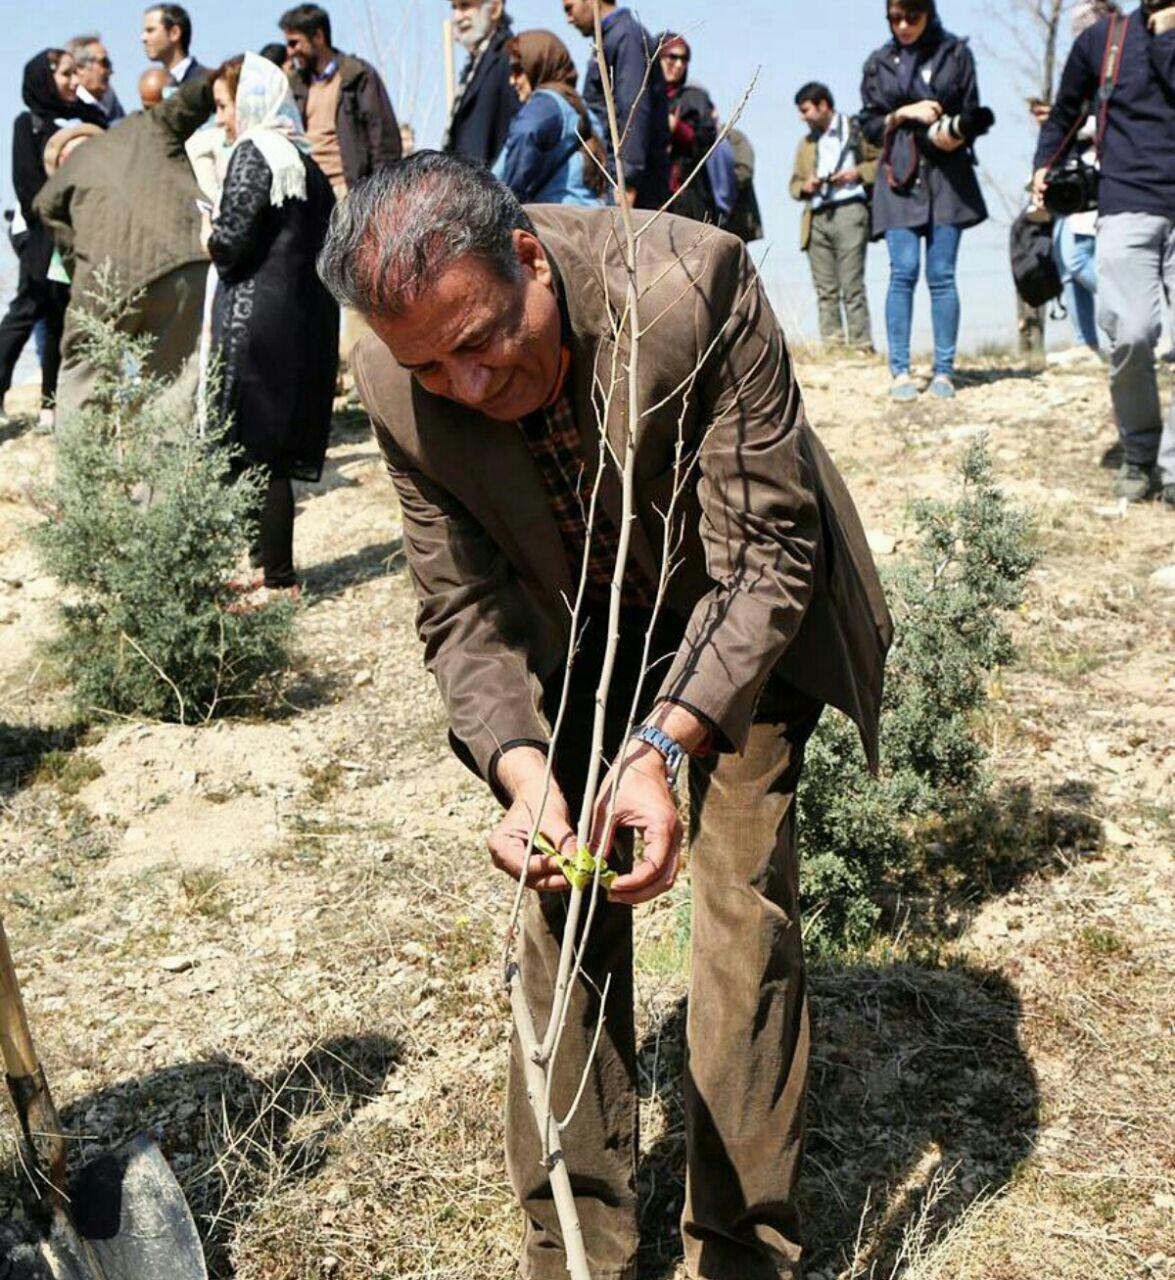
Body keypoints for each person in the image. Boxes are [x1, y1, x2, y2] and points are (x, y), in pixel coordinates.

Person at [318, 151, 892, 1280]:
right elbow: (462, 609)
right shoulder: (393, 381)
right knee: (558, 911)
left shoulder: (690, 285)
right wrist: (525, 775)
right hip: (573, 631)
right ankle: (572, 1242)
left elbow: (770, 556)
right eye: (430, 365)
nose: (467, 386)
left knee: (738, 912)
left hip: (738, 618)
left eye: (482, 340)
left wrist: (663, 743)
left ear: (528, 258)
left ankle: (742, 1248)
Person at [205, 53, 338, 601]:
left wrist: (206, 233)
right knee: (273, 449)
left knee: (257, 449)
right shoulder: (304, 163)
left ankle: (277, 578)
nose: (222, 120)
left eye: (223, 106)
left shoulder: (253, 152)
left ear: (249, 101)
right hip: (303, 322)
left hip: (256, 322)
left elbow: (230, 243)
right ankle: (266, 567)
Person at [1034, 0, 1175, 506]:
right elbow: (1065, 111)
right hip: (1126, 204)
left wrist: (1167, 39)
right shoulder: (1103, 40)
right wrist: (1043, 166)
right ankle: (1139, 450)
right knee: (1131, 334)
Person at [35, 74, 215, 422]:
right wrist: (225, 75)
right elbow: (191, 98)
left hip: (110, 281)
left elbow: (54, 226)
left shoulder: (58, 181)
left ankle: (85, 472)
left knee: (83, 375)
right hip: (185, 263)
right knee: (173, 382)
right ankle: (167, 474)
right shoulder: (145, 126)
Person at [859, 0, 989, 401]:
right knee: (904, 270)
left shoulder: (956, 53)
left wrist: (957, 132)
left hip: (948, 175)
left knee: (942, 273)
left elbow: (972, 113)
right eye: (894, 18)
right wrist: (903, 114)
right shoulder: (879, 62)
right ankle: (900, 371)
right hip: (899, 174)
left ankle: (944, 372)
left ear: (928, 13)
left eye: (911, 17)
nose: (903, 25)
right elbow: (868, 124)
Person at [0, 49, 105, 430]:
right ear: (45, 79)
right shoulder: (26, 124)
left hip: (71, 239)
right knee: (25, 312)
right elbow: (27, 187)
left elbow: (102, 123)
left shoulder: (77, 121)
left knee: (60, 317)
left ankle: (51, 404)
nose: (74, 81)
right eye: (65, 75)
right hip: (42, 237)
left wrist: (85, 102)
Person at [789, 82, 878, 352]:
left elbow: (882, 160)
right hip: (816, 216)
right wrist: (805, 187)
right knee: (825, 288)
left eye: (806, 110)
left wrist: (858, 173)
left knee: (852, 285)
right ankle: (833, 345)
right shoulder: (806, 143)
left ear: (823, 105)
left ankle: (861, 345)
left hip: (850, 210)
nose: (802, 117)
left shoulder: (856, 130)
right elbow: (793, 184)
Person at [280, 4, 401, 196]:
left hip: (348, 192)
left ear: (318, 37)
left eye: (294, 43)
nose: (290, 51)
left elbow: (384, 143)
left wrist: (380, 195)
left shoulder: (358, 77)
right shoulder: (295, 86)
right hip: (308, 195)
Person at [563, 0, 670, 209]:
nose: (568, 18)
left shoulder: (626, 37)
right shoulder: (609, 39)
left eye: (570, 7)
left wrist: (626, 182)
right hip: (611, 176)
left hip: (626, 186)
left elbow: (634, 109)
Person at [492, 30, 607, 206]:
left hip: (559, 224)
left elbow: (526, 131)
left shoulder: (545, 104)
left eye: (517, 70)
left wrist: (506, 203)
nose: (512, 81)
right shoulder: (578, 106)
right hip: (589, 220)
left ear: (538, 64)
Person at [444, 0, 520, 165]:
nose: (457, 17)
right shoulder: (474, 64)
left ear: (495, 9)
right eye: (454, 8)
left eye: (465, 6)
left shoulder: (509, 58)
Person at [659, 33, 719, 223]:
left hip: (685, 194)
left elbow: (705, 142)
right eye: (672, 57)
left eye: (684, 59)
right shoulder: (639, 98)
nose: (678, 64)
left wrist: (677, 127)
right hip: (648, 194)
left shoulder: (694, 99)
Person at [142, 5, 204, 89]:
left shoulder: (205, 83)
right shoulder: (153, 87)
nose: (143, 38)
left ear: (174, 33)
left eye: (151, 30)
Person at [67, 35, 125, 124]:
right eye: (104, 63)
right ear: (80, 67)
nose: (110, 71)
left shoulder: (113, 105)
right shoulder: (70, 111)